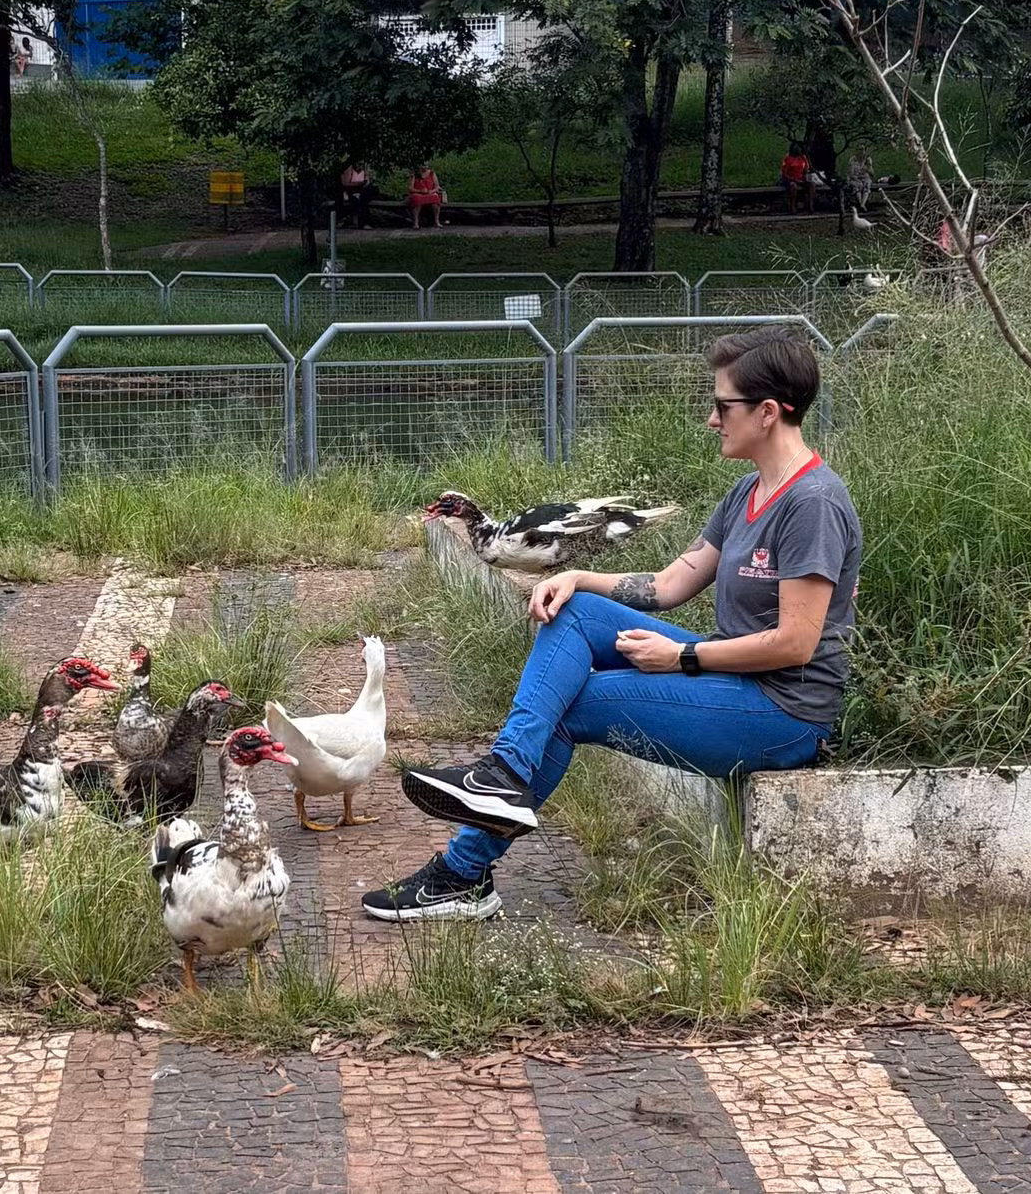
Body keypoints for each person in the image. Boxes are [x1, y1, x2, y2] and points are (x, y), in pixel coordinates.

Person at [364, 325, 862, 922]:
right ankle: (501, 775)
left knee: (573, 705)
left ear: (768, 412)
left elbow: (795, 642)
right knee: (574, 611)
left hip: (784, 714)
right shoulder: (747, 493)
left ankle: (462, 872)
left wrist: (683, 658)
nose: (711, 419)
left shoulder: (813, 505)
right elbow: (669, 584)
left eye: (722, 405)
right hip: (736, 682)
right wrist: (576, 579)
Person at [339, 163, 376, 230]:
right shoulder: (348, 171)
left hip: (362, 192)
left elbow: (367, 183)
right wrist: (357, 184)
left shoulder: (364, 172)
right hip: (351, 192)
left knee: (363, 200)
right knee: (358, 202)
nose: (360, 166)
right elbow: (345, 183)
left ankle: (363, 223)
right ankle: (362, 223)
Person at [407, 162, 444, 229]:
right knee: (416, 199)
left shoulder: (432, 173)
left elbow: (437, 187)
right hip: (418, 193)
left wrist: (431, 191)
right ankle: (416, 223)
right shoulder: (415, 174)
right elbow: (410, 188)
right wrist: (420, 191)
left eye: (426, 165)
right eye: (423, 165)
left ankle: (436, 221)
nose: (425, 167)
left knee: (435, 198)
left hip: (429, 193)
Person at [779, 143, 812, 213]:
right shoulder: (787, 159)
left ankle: (809, 204)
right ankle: (792, 205)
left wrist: (805, 179)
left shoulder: (803, 158)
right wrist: (795, 180)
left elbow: (806, 171)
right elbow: (784, 174)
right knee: (793, 186)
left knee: (812, 184)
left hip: (801, 179)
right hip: (790, 179)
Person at [846, 145, 875, 210]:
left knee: (867, 184)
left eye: (863, 149)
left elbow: (872, 173)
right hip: (854, 178)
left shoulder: (868, 159)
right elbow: (851, 174)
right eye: (860, 149)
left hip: (865, 178)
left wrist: (868, 168)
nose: (862, 151)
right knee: (858, 185)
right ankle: (860, 203)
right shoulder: (853, 160)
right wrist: (857, 179)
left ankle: (862, 204)